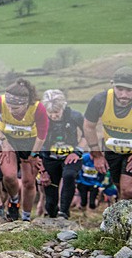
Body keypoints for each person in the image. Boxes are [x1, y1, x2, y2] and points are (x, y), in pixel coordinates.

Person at [0, 78, 49, 222]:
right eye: (8, 106)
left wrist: (34, 154)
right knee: (8, 175)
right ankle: (14, 200)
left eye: (15, 108)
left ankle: (26, 216)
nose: (10, 110)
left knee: (28, 181)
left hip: (30, 142)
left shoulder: (38, 108)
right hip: (7, 138)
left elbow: (42, 135)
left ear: (26, 104)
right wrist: (2, 139)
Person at [83, 66, 132, 200]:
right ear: (112, 86)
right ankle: (120, 218)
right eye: (120, 89)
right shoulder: (100, 100)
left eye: (129, 90)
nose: (124, 95)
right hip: (112, 150)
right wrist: (97, 154)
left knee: (128, 190)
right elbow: (88, 126)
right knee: (119, 188)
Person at [37, 89, 85, 219]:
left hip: (70, 156)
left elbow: (87, 134)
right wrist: (41, 170)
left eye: (56, 112)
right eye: (50, 113)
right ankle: (52, 214)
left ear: (63, 107)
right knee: (50, 194)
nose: (53, 116)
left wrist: (77, 151)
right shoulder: (40, 119)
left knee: (69, 175)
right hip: (48, 158)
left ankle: (64, 212)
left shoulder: (75, 116)